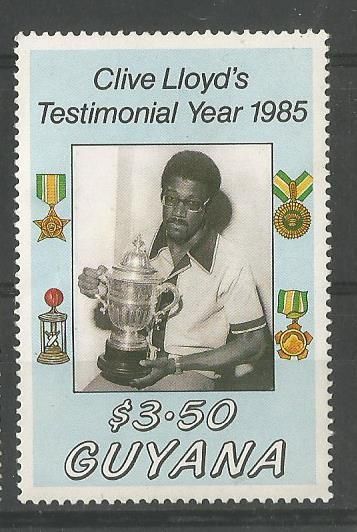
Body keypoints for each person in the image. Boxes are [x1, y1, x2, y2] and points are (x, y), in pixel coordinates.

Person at [78, 150, 272, 391]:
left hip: (190, 373)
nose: (178, 212)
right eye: (171, 199)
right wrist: (100, 287)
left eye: (191, 204)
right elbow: (126, 308)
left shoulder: (232, 262)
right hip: (131, 363)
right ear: (162, 197)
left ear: (207, 207)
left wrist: (176, 364)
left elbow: (253, 343)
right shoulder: (141, 246)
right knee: (86, 408)